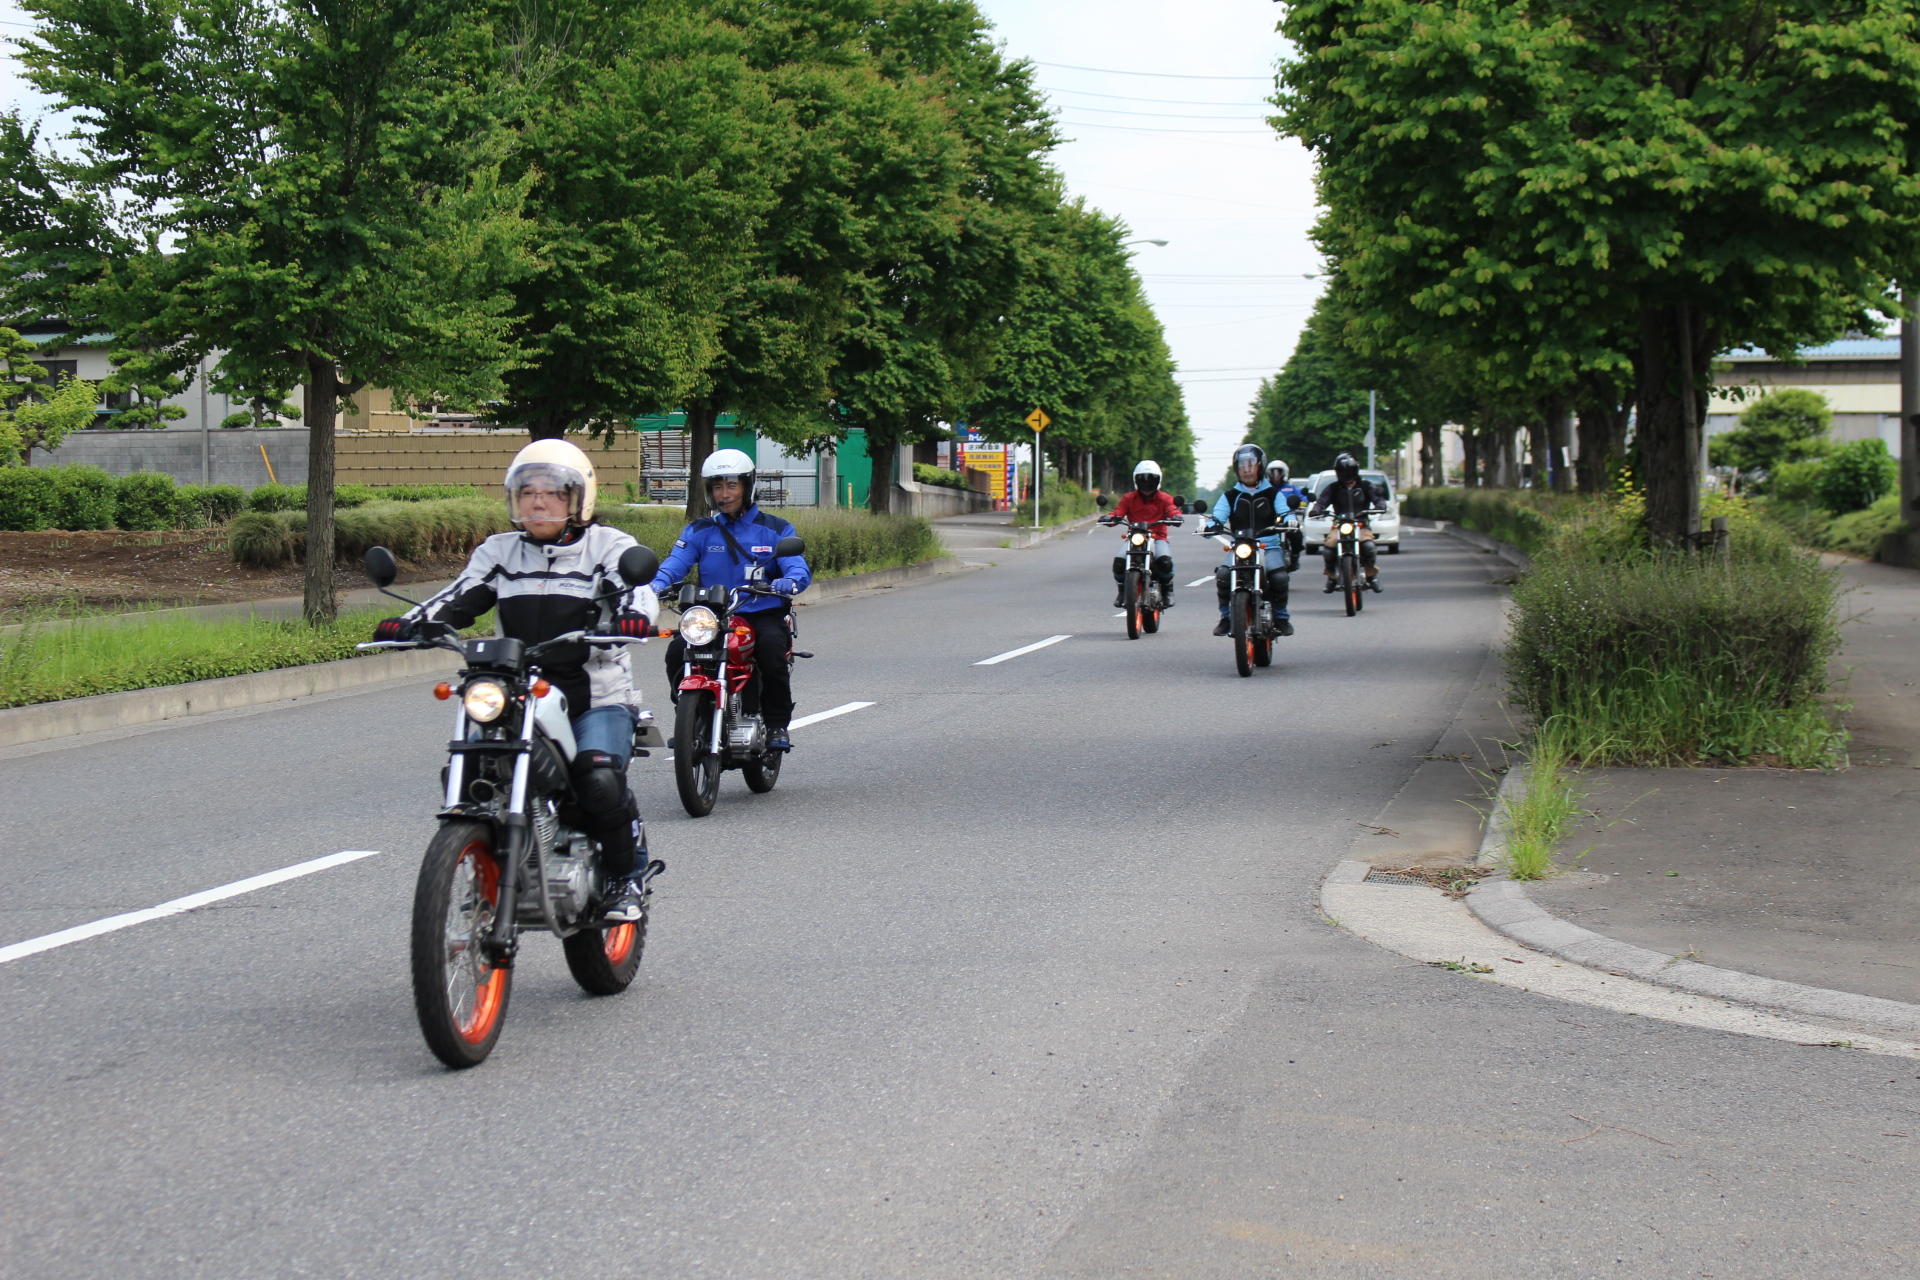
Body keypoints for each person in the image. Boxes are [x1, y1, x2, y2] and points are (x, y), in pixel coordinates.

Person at [373, 439, 660, 923]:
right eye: (527, 491)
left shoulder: (609, 546)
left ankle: (624, 877)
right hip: (516, 692)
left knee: (599, 779)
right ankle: (477, 857)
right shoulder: (499, 551)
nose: (538, 501)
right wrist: (412, 622)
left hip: (594, 696)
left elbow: (636, 593)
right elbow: (458, 598)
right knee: (473, 770)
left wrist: (631, 619)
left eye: (551, 491)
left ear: (577, 499)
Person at [649, 448, 812, 751]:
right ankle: (690, 718)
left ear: (747, 486)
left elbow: (796, 567)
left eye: (731, 485)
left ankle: (776, 724)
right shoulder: (700, 529)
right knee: (676, 652)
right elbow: (675, 563)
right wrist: (653, 586)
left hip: (759, 612)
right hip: (712, 617)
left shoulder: (775, 528)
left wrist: (787, 581)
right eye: (717, 486)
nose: (724, 494)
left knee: (772, 652)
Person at [1208, 443, 1296, 637]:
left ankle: (1281, 618)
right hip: (1240, 546)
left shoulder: (1273, 493)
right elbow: (1219, 515)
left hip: (1269, 546)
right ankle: (1226, 618)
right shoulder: (1230, 496)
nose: (1246, 470)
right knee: (1223, 575)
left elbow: (1285, 511)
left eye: (1251, 465)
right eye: (1242, 466)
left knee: (1279, 577)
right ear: (1236, 469)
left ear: (1260, 467)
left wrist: (1290, 520)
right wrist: (1211, 525)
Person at [1103, 459, 1183, 608]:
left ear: (1158, 480)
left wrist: (1176, 517)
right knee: (1119, 561)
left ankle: (1167, 591)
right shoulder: (1128, 498)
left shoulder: (1165, 498)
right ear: (1136, 480)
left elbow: (1172, 510)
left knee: (1165, 561)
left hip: (1158, 537)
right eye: (1142, 479)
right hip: (1135, 537)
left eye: (1150, 479)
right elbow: (1118, 512)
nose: (1146, 484)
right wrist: (1110, 517)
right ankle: (1122, 591)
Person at [1308, 452, 1386, 592]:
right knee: (1328, 549)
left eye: (1348, 470)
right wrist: (1316, 509)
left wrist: (1380, 505)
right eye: (1342, 471)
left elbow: (1377, 498)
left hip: (1361, 525)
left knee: (1369, 547)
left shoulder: (1366, 486)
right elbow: (1321, 502)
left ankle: (1371, 576)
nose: (1345, 474)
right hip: (1340, 525)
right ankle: (1331, 577)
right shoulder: (1333, 488)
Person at [1265, 457, 1311, 570]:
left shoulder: (1291, 488)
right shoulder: (1265, 488)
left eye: (1278, 472)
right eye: (1273, 472)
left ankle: (1295, 558)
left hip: (1289, 520)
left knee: (1297, 535)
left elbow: (1303, 499)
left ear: (1284, 472)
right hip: (1270, 519)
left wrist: (1301, 504)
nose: (1275, 475)